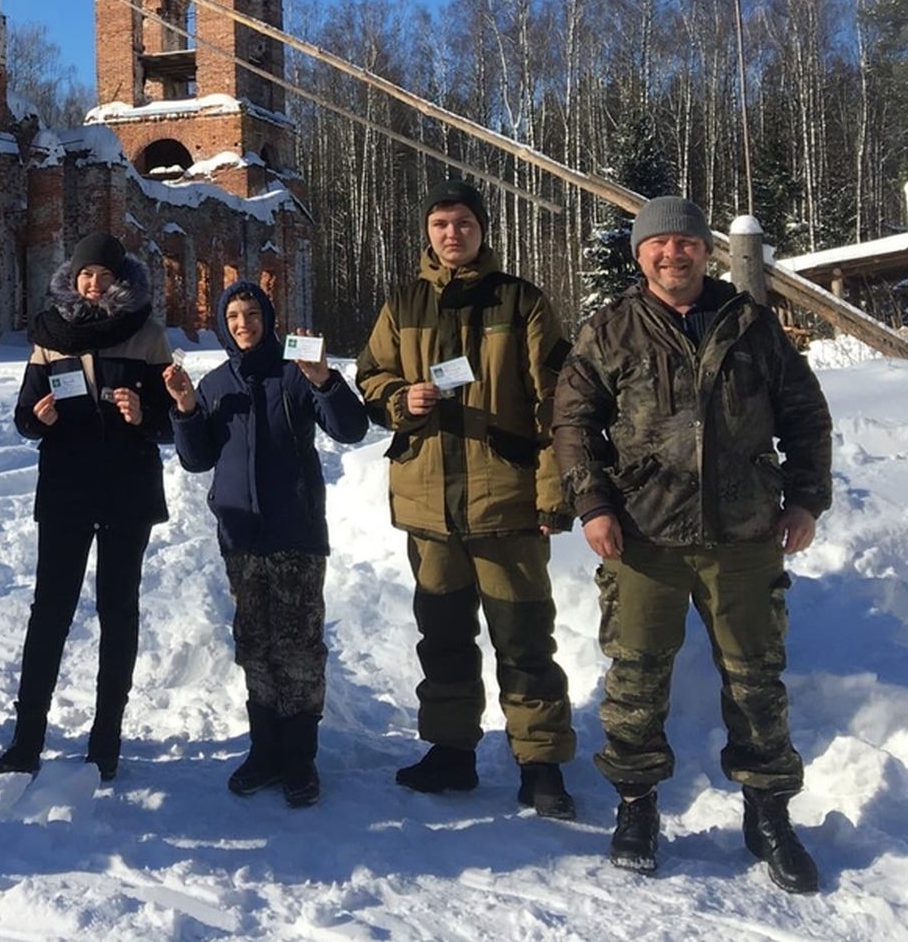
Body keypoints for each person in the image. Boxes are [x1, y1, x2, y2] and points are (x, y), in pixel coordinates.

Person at [552, 195, 832, 892]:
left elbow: (806, 417)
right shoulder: (610, 331)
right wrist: (591, 503)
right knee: (637, 677)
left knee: (755, 680)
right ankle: (637, 807)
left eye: (685, 244)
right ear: (639, 254)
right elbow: (572, 424)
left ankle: (768, 813)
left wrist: (804, 499)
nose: (672, 255)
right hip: (644, 533)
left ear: (705, 251)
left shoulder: (753, 326)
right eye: (658, 245)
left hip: (745, 535)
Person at [354, 181, 580, 818]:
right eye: (439, 224)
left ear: (482, 229)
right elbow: (369, 377)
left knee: (525, 640)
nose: (451, 234)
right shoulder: (403, 303)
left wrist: (550, 493)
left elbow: (559, 402)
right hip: (430, 508)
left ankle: (540, 765)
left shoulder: (521, 301)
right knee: (444, 638)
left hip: (505, 504)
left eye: (462, 223)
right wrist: (402, 399)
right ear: (427, 232)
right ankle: (451, 753)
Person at [165, 280, 370, 806]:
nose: (242, 323)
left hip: (296, 533)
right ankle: (264, 750)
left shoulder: (295, 373)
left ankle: (299, 755)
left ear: (268, 318)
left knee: (299, 649)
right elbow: (197, 459)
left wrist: (325, 380)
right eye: (232, 315)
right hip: (241, 538)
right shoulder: (215, 383)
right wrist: (186, 408)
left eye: (251, 313)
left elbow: (350, 429)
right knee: (255, 645)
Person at [0, 231, 173, 782]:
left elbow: (172, 420)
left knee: (118, 614)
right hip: (66, 487)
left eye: (103, 276)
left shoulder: (148, 336)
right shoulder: (50, 335)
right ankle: (26, 741)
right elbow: (23, 417)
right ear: (73, 276)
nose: (93, 284)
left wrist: (145, 415)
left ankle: (106, 740)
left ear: (120, 280)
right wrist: (36, 419)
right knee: (50, 612)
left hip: (127, 490)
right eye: (85, 274)